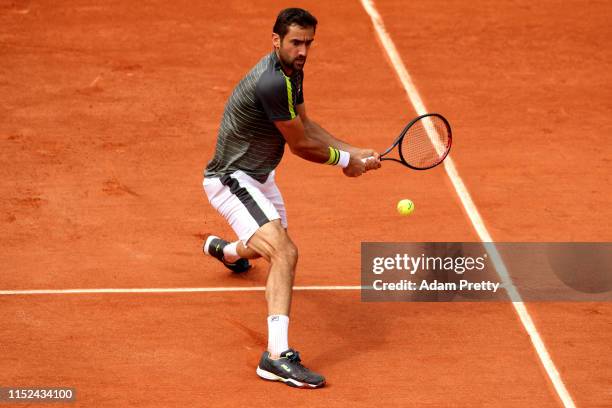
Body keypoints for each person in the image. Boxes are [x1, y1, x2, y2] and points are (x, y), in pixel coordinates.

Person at [202, 8, 381, 388]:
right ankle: (276, 356)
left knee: (266, 246)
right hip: (231, 179)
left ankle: (227, 251)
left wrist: (355, 150)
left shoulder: (291, 72)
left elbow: (307, 124)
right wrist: (345, 161)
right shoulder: (270, 82)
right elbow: (299, 144)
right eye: (295, 42)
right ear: (276, 41)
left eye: (308, 43)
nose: (302, 51)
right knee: (284, 251)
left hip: (260, 177)